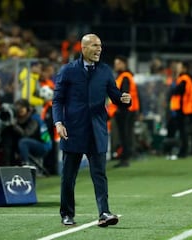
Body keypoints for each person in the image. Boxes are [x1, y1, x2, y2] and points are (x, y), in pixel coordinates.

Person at [53, 33, 131, 227]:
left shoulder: (105, 71)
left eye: (100, 46)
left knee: (99, 175)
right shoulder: (68, 71)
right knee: (69, 176)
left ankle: (104, 212)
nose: (99, 49)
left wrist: (123, 100)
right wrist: (59, 123)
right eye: (95, 46)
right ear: (83, 48)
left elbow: (114, 96)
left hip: (97, 131)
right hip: (73, 130)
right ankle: (67, 214)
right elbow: (58, 100)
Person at [0, 98, 52, 167]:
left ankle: (25, 164)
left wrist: (14, 124)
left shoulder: (34, 118)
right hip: (32, 142)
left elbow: (26, 134)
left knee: (23, 142)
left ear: (27, 109)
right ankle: (9, 165)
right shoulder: (19, 118)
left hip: (43, 145)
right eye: (17, 108)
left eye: (22, 108)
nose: (19, 110)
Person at [108, 55, 140, 167]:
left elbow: (124, 94)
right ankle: (127, 155)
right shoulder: (127, 76)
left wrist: (119, 109)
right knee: (127, 134)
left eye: (118, 63)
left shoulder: (124, 77)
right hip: (130, 109)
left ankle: (125, 158)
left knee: (124, 135)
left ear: (123, 64)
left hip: (124, 110)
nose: (116, 66)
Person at [168, 61, 192, 158]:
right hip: (184, 108)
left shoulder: (184, 79)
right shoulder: (184, 78)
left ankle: (183, 151)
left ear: (184, 68)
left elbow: (177, 91)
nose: (177, 68)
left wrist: (172, 89)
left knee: (183, 131)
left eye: (179, 67)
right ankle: (185, 150)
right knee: (183, 131)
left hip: (183, 109)